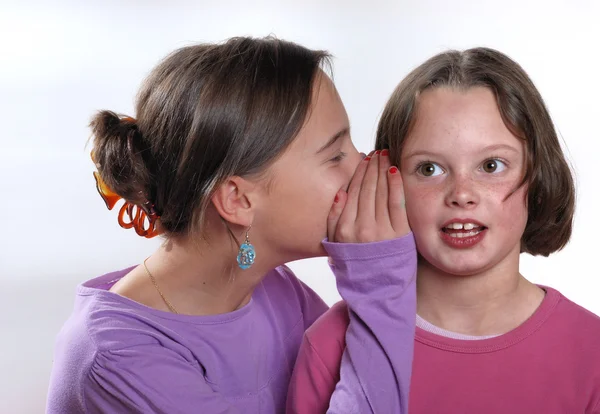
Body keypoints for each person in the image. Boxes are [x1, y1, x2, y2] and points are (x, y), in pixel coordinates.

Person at [46, 36, 417, 413]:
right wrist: (382, 283)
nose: (366, 164)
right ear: (238, 200)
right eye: (336, 154)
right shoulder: (117, 360)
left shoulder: (275, 292)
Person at [287, 47, 600, 413]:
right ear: (389, 181)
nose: (462, 194)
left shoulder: (590, 351)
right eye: (430, 169)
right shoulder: (330, 345)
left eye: (491, 165)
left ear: (539, 174)